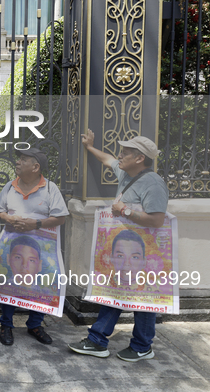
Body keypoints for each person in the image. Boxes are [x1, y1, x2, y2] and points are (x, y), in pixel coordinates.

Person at [69, 131, 169, 362]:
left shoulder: (153, 184)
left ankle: (142, 346)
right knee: (115, 292)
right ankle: (97, 340)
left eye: (125, 152)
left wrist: (124, 211)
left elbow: (156, 220)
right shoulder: (126, 174)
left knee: (142, 300)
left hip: (141, 253)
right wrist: (90, 146)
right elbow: (107, 159)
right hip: (122, 251)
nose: (120, 156)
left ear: (139, 158)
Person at [0, 148, 68, 346]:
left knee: (41, 284)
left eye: (23, 159)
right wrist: (8, 217)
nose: (18, 162)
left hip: (41, 250)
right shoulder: (9, 187)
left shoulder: (50, 189)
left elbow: (60, 217)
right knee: (10, 281)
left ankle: (35, 325)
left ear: (36, 167)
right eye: (18, 158)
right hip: (12, 247)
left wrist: (35, 224)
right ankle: (6, 325)